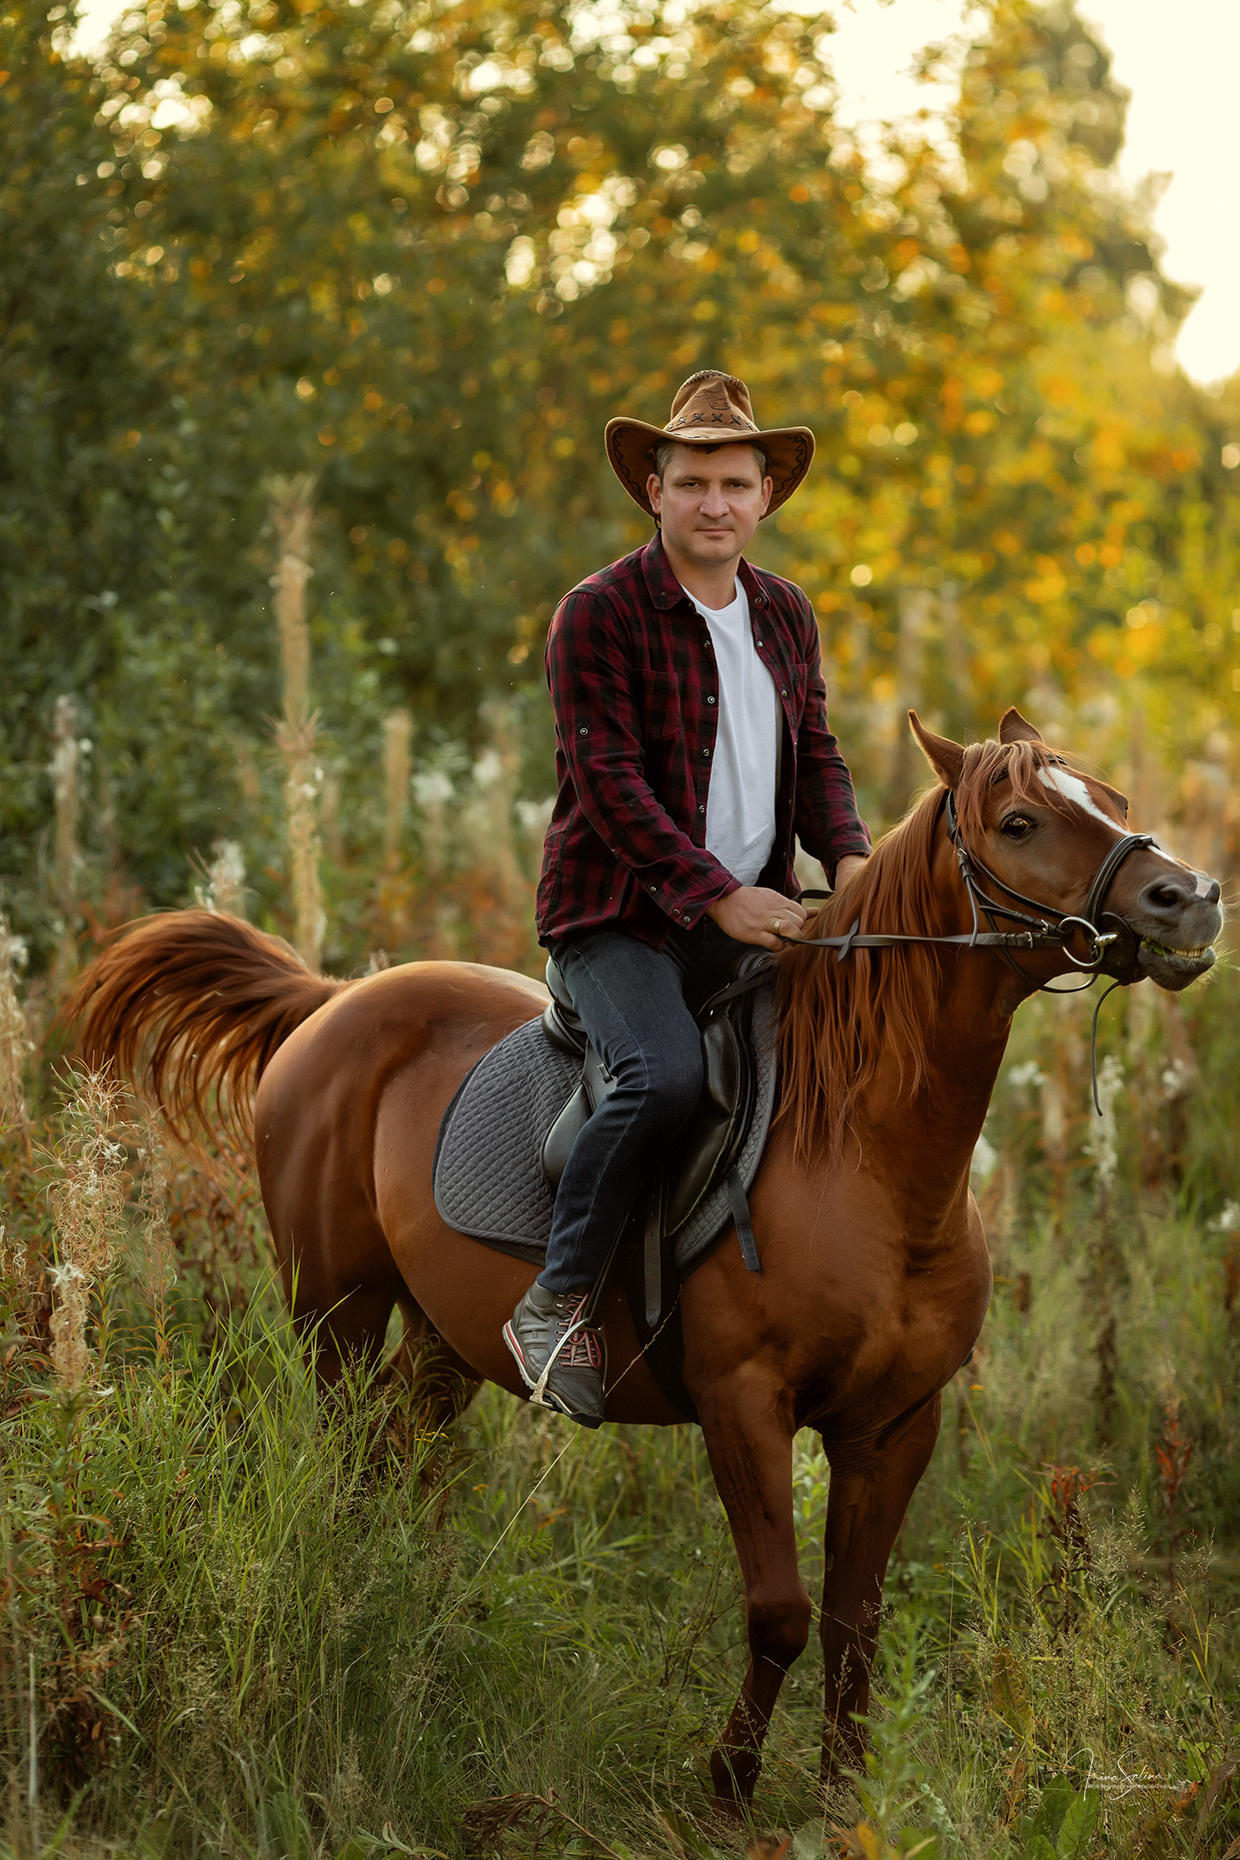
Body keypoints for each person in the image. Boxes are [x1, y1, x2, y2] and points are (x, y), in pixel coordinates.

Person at [502, 369, 872, 1426]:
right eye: (693, 480)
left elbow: (818, 759)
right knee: (661, 1076)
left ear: (765, 498)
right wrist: (715, 899)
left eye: (736, 483)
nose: (716, 502)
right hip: (617, 917)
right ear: (654, 491)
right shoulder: (597, 615)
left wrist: (846, 860)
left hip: (752, 905)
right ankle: (556, 1296)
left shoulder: (785, 615)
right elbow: (606, 780)